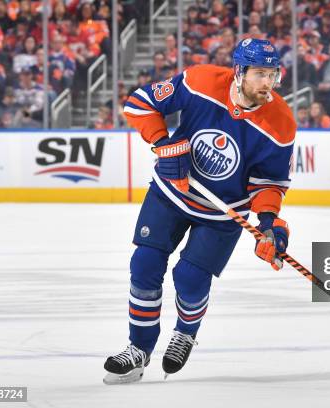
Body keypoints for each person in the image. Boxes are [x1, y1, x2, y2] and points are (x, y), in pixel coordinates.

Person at [103, 38, 296, 384]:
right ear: (239, 72)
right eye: (260, 75)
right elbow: (139, 103)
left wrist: (269, 223)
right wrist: (164, 144)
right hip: (170, 193)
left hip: (221, 214)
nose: (268, 83)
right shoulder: (201, 81)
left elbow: (268, 183)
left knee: (190, 279)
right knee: (145, 265)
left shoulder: (280, 122)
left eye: (273, 75)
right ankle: (138, 349)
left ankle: (185, 334)